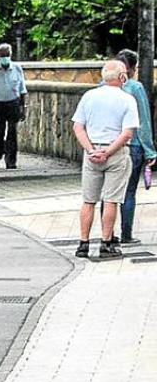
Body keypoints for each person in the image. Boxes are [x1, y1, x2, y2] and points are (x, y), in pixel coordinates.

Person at [72, 60, 139, 260]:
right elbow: (127, 133)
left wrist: (91, 150)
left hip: (92, 151)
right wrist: (108, 152)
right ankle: (106, 242)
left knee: (88, 200)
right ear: (122, 77)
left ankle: (83, 243)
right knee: (111, 200)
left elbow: (78, 127)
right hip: (116, 152)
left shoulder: (89, 96)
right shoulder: (127, 99)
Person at [115, 50, 157, 245]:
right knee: (129, 191)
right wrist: (150, 150)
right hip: (133, 145)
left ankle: (108, 235)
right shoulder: (136, 88)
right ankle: (126, 234)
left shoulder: (103, 87)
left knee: (109, 193)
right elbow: (143, 121)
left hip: (110, 145)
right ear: (133, 68)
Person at [0, 43, 26, 170]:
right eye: (2, 55)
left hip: (13, 103)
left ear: (10, 55)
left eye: (6, 55)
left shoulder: (17, 68)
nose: (4, 57)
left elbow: (22, 89)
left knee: (12, 132)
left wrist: (22, 107)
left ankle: (11, 160)